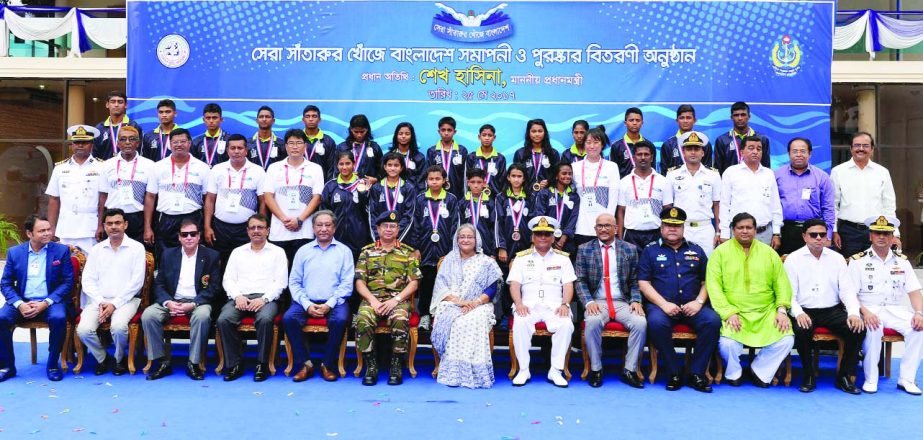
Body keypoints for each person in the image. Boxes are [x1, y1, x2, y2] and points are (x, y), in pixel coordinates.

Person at [706, 212, 794, 387]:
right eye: (740, 228)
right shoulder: (720, 253)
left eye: (749, 227)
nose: (744, 231)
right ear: (733, 230)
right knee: (727, 343)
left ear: (755, 230)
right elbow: (713, 287)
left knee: (786, 339)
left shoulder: (769, 253)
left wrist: (782, 310)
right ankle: (734, 372)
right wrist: (728, 312)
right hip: (734, 312)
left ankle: (760, 370)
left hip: (765, 312)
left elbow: (782, 284)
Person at [638, 207, 721, 392]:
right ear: (661, 228)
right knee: (656, 323)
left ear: (683, 228)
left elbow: (707, 280)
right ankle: (674, 371)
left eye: (676, 226)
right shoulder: (650, 251)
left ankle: (697, 373)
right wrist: (663, 304)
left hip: (693, 306)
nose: (672, 229)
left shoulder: (696, 250)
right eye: (668, 225)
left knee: (713, 321)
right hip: (662, 306)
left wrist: (699, 302)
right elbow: (643, 283)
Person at [844, 215, 923, 395]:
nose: (882, 237)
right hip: (868, 309)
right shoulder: (858, 261)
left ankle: (907, 379)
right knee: (873, 327)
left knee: (918, 328)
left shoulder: (902, 261)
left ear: (892, 236)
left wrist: (919, 313)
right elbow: (849, 294)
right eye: (877, 233)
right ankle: (871, 379)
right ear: (870, 236)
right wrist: (864, 312)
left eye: (886, 233)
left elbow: (914, 292)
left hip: (894, 309)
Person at [783, 218, 863, 394]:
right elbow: (790, 295)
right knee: (802, 330)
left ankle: (843, 376)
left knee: (857, 329)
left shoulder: (837, 259)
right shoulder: (793, 259)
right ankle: (808, 375)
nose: (818, 238)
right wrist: (798, 313)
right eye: (813, 235)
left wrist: (853, 313)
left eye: (822, 234)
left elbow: (847, 291)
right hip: (805, 310)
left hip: (831, 310)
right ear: (804, 236)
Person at [142, 220, 221, 381]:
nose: (189, 238)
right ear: (179, 237)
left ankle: (194, 363)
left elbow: (214, 287)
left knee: (203, 316)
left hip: (197, 302)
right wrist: (168, 303)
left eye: (193, 234)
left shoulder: (211, 256)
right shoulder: (169, 255)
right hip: (172, 300)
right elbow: (159, 284)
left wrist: (192, 304)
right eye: (185, 235)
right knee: (148, 315)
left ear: (199, 236)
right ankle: (162, 361)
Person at [0, 215, 74, 382]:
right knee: (1, 318)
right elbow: (5, 283)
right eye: (42, 231)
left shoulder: (61, 251)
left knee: (58, 318)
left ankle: (53, 365)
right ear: (29, 234)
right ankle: (7, 366)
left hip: (50, 301)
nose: (47, 233)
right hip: (22, 300)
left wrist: (45, 303)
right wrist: (19, 304)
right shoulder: (15, 253)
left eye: (49, 229)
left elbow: (68, 282)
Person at [576, 213, 646, 388]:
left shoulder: (629, 249)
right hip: (597, 301)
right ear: (595, 229)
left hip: (622, 301)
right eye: (600, 226)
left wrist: (636, 300)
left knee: (640, 322)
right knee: (591, 322)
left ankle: (629, 369)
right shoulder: (584, 249)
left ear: (616, 229)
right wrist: (588, 302)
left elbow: (634, 280)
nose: (603, 229)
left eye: (608, 226)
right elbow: (580, 281)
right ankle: (596, 369)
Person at [283, 210, 353, 382]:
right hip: (306, 300)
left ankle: (327, 365)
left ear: (334, 228)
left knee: (340, 320)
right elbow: (294, 282)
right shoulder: (303, 251)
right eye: (319, 225)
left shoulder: (344, 251)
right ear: (313, 228)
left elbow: (347, 284)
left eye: (327, 225)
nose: (323, 229)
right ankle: (305, 364)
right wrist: (307, 304)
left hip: (335, 301)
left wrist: (329, 304)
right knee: (289, 318)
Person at [354, 211, 422, 386]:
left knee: (400, 319)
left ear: (398, 229)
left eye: (393, 226)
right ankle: (371, 365)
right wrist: (373, 301)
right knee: (363, 319)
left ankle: (396, 365)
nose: (389, 229)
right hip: (372, 299)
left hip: (398, 300)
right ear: (378, 229)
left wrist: (396, 299)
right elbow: (360, 282)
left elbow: (414, 283)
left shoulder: (408, 252)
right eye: (385, 226)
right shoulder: (367, 252)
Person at [430, 224, 503, 388]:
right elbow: (441, 287)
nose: (465, 240)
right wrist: (459, 302)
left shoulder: (486, 262)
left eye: (470, 237)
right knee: (448, 315)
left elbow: (492, 288)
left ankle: (472, 371)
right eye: (462, 237)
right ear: (457, 240)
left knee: (471, 320)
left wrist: (475, 302)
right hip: (453, 302)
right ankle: (450, 369)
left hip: (479, 304)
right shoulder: (449, 259)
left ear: (476, 240)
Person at [218, 214, 287, 382]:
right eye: (253, 228)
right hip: (240, 297)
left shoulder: (278, 252)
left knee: (264, 319)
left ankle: (261, 364)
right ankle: (234, 364)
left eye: (260, 227)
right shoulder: (237, 252)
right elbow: (228, 279)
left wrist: (264, 299)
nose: (256, 231)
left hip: (266, 299)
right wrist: (237, 296)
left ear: (268, 231)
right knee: (224, 319)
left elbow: (281, 282)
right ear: (247, 231)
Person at [508, 216, 575, 387]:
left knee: (566, 325)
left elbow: (568, 285)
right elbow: (515, 284)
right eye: (539, 234)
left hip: (555, 305)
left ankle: (556, 370)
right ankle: (523, 370)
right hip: (528, 305)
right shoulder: (521, 258)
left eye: (547, 234)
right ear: (532, 237)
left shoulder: (563, 259)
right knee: (520, 323)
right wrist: (519, 303)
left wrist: (565, 304)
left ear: (553, 237)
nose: (543, 237)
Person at [78, 209, 145, 376]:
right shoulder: (97, 249)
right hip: (98, 301)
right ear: (104, 226)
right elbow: (88, 280)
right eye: (109, 223)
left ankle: (119, 358)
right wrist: (101, 302)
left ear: (125, 225)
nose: (114, 227)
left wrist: (114, 304)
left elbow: (136, 282)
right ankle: (102, 358)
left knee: (118, 327)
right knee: (84, 330)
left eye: (118, 223)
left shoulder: (137, 248)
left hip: (127, 301)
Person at [144, 128, 211, 262]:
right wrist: (147, 227)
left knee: (192, 257)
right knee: (165, 258)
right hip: (166, 219)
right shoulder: (158, 167)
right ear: (169, 144)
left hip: (192, 217)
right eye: (175, 142)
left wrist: (207, 225)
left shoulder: (202, 167)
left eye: (183, 141)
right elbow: (150, 197)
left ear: (190, 143)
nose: (179, 145)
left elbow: (208, 198)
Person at [830, 132, 900, 257]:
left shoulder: (882, 172)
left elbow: (889, 205)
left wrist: (895, 234)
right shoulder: (838, 171)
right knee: (849, 270)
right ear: (851, 148)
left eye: (865, 145)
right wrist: (834, 231)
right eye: (857, 145)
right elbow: (832, 205)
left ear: (872, 149)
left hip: (877, 230)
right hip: (848, 232)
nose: (861, 149)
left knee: (876, 269)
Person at [262, 129, 325, 265]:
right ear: (285, 146)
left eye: (298, 143)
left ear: (305, 146)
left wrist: (300, 220)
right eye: (291, 143)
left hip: (305, 230)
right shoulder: (274, 168)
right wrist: (284, 219)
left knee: (302, 270)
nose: (295, 146)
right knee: (280, 270)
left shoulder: (315, 168)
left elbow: (317, 197)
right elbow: (268, 196)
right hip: (279, 230)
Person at [204, 134, 266, 268]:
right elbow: (210, 200)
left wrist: (260, 224)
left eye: (240, 148)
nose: (236, 151)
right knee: (220, 264)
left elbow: (263, 202)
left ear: (246, 150)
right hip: (220, 227)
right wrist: (207, 226)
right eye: (232, 148)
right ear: (227, 150)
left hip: (246, 228)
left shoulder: (258, 171)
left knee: (245, 265)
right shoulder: (217, 169)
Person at [410, 165, 459, 330]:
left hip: (444, 251)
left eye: (438, 178)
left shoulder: (451, 199)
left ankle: (440, 314)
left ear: (444, 180)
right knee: (426, 284)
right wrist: (416, 248)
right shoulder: (420, 199)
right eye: (431, 179)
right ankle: (424, 314)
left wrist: (452, 251)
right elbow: (415, 224)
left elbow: (455, 226)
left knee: (445, 285)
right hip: (425, 250)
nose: (434, 181)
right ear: (426, 180)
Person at [46, 124, 105, 253]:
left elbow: (103, 200)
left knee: (89, 269)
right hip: (65, 229)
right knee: (64, 268)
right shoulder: (60, 168)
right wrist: (51, 227)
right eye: (77, 142)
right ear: (72, 145)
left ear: (92, 145)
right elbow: (54, 199)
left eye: (84, 142)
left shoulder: (101, 167)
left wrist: (101, 225)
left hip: (90, 230)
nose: (80, 145)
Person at [663, 131, 722, 255]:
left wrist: (718, 231)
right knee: (681, 267)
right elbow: (667, 206)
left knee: (707, 267)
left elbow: (717, 205)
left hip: (705, 229)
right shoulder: (672, 174)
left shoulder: (713, 175)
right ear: (683, 152)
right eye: (689, 149)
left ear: (703, 152)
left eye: (697, 148)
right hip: (681, 228)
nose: (693, 152)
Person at [774, 138, 836, 255]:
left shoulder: (822, 177)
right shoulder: (777, 175)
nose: (798, 155)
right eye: (795, 151)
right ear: (789, 154)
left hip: (813, 231)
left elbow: (828, 208)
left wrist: (827, 236)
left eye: (803, 151)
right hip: (786, 230)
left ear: (810, 153)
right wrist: (775, 233)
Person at [719, 136, 782, 249]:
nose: (755, 152)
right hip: (739, 233)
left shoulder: (769, 174)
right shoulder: (731, 172)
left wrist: (776, 233)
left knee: (762, 266)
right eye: (751, 148)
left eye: (759, 149)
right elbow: (724, 205)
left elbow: (775, 205)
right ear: (742, 151)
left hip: (764, 233)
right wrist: (724, 233)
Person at [101, 126, 155, 244]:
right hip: (112, 217)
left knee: (138, 257)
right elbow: (103, 196)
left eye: (132, 139)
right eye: (123, 139)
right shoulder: (107, 165)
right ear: (118, 143)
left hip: (137, 219)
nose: (127, 143)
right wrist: (100, 224)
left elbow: (150, 197)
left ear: (138, 143)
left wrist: (147, 227)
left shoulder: (149, 165)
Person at [572, 126, 620, 248]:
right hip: (581, 225)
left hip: (604, 227)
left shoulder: (611, 167)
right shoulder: (575, 167)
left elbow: (614, 198)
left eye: (596, 142)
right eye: (588, 142)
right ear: (583, 144)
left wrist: (607, 223)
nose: (592, 146)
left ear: (602, 145)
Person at [321, 151, 371, 260]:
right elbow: (323, 213)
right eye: (341, 164)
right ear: (337, 165)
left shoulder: (362, 185)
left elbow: (369, 212)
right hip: (336, 236)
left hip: (359, 236)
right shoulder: (330, 186)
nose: (344, 167)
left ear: (353, 164)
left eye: (348, 163)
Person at [616, 140, 667, 249]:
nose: (643, 157)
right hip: (631, 235)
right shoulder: (624, 182)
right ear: (634, 158)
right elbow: (621, 211)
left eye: (646, 154)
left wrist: (665, 235)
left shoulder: (663, 181)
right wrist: (620, 239)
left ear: (652, 158)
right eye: (639, 154)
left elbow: (667, 209)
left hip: (656, 233)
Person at [369, 152, 416, 242]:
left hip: (401, 238)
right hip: (380, 238)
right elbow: (373, 215)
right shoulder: (376, 188)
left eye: (396, 165)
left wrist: (396, 237)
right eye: (389, 165)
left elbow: (409, 216)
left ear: (401, 168)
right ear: (385, 167)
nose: (393, 168)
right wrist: (378, 238)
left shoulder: (408, 188)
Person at [533, 162, 580, 255]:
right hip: (546, 238)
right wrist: (549, 236)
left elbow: (573, 219)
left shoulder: (574, 196)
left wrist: (563, 238)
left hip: (566, 241)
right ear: (556, 176)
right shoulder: (545, 193)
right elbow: (540, 216)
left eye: (570, 174)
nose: (567, 176)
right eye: (564, 173)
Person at [713, 102, 771, 175]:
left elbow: (766, 166)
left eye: (743, 115)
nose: (740, 118)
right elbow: (718, 169)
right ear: (731, 117)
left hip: (755, 183)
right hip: (731, 184)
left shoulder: (762, 139)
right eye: (736, 115)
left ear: (749, 116)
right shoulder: (722, 140)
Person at [659, 104, 714, 173]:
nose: (685, 121)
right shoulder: (668, 145)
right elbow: (664, 172)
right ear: (677, 121)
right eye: (682, 118)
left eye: (688, 118)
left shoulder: (704, 144)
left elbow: (708, 170)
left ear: (695, 120)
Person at [460, 168, 501, 258]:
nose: (476, 185)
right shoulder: (462, 203)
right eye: (472, 182)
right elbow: (459, 227)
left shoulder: (491, 203)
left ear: (484, 183)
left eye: (479, 182)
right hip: (466, 248)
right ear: (468, 183)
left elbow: (494, 227)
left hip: (486, 247)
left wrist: (493, 252)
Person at [425, 116, 468, 199]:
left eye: (449, 130)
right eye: (443, 130)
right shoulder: (432, 151)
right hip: (436, 192)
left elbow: (465, 175)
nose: (446, 133)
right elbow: (427, 174)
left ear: (454, 132)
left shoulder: (462, 150)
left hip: (457, 192)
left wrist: (465, 195)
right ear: (439, 131)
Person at [94, 91, 143, 161]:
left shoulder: (134, 126)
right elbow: (94, 154)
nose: (116, 105)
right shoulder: (99, 128)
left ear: (126, 105)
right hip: (105, 169)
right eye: (113, 102)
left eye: (120, 102)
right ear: (107, 104)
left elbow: (139, 152)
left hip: (128, 168)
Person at [513, 119, 559, 192]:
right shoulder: (520, 153)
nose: (537, 134)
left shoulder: (553, 153)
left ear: (545, 133)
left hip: (546, 194)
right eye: (533, 131)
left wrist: (549, 182)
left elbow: (557, 175)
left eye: (540, 131)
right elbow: (515, 176)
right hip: (526, 194)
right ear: (528, 133)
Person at [336, 114, 383, 185]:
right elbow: (336, 170)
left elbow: (382, 169)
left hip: (369, 187)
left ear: (367, 129)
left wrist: (376, 179)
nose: (359, 135)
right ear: (351, 129)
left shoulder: (375, 147)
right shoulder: (342, 147)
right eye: (356, 132)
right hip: (347, 187)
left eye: (362, 131)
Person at [464, 124, 507, 197]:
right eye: (484, 135)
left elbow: (503, 181)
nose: (487, 138)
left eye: (490, 135)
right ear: (479, 137)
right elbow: (467, 179)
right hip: (475, 197)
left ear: (494, 137)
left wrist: (501, 198)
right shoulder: (471, 157)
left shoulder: (500, 158)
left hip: (494, 197)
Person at [609, 107, 646, 178]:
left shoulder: (648, 145)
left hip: (645, 186)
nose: (634, 123)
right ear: (625, 123)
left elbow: (652, 169)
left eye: (637, 120)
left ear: (642, 123)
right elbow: (613, 172)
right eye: (631, 120)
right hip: (623, 187)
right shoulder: (616, 146)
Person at [302, 105, 337, 180]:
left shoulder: (329, 141)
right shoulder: (297, 140)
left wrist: (327, 187)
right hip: (299, 183)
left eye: (314, 116)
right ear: (303, 120)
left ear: (319, 119)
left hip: (321, 184)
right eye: (307, 116)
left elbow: (331, 168)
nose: (311, 119)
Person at [389, 122, 428, 190]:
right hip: (392, 194)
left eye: (407, 134)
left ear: (412, 136)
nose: (403, 136)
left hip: (413, 194)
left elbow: (421, 180)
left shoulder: (419, 157)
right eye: (400, 134)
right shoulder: (388, 156)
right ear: (396, 136)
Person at [246, 105, 286, 172]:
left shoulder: (282, 143)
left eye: (267, 117)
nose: (264, 119)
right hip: (254, 181)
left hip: (275, 180)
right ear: (257, 120)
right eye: (261, 117)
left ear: (273, 121)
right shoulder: (247, 143)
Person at [191, 103, 230, 168]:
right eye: (208, 118)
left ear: (221, 119)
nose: (211, 121)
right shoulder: (196, 141)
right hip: (202, 176)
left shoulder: (229, 140)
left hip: (222, 176)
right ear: (204, 120)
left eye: (214, 118)